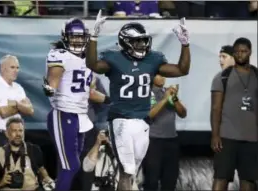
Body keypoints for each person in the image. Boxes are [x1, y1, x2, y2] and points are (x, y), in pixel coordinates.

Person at [86, 10, 191, 190]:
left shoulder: (153, 59)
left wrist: (185, 44)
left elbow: (182, 70)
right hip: (120, 119)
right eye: (137, 41)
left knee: (131, 172)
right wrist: (93, 38)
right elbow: (93, 64)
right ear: (125, 42)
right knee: (127, 169)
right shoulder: (114, 58)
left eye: (144, 40)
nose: (142, 44)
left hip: (142, 121)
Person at [42, 18, 110, 191]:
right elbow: (54, 79)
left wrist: (112, 100)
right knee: (70, 166)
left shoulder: (89, 61)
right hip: (62, 113)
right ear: (66, 37)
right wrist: (50, 87)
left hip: (80, 116)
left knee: (75, 165)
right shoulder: (58, 54)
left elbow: (90, 93)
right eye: (74, 37)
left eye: (81, 37)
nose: (78, 40)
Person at [210, 37, 258, 191]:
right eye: (237, 52)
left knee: (249, 181)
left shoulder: (257, 75)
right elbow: (216, 108)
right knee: (221, 178)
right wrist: (215, 135)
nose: (240, 55)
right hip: (227, 138)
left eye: (244, 51)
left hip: (252, 139)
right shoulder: (223, 77)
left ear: (250, 52)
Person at [0, 117, 54, 191]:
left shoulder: (34, 149)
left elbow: (41, 169)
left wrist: (46, 178)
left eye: (20, 131)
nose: (18, 134)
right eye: (14, 131)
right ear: (6, 133)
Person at [143, 75, 187, 191]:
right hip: (153, 142)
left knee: (170, 180)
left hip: (171, 140)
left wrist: (174, 98)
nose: (163, 78)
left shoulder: (168, 92)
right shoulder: (146, 93)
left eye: (164, 75)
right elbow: (148, 115)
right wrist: (164, 99)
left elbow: (183, 113)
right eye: (160, 74)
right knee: (151, 181)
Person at [0, 55, 34, 152]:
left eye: (17, 67)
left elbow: (30, 110)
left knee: (17, 166)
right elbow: (3, 112)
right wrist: (21, 106)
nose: (16, 70)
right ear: (2, 68)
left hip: (17, 137)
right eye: (12, 67)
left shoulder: (19, 87)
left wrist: (14, 104)